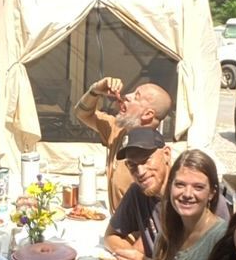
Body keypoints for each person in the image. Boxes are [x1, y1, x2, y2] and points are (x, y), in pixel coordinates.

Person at [73, 76, 172, 212]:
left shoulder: (156, 156)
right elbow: (82, 113)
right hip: (117, 229)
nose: (127, 96)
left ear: (147, 114)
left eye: (136, 97)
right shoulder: (117, 131)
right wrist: (95, 89)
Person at [103, 127, 172, 260]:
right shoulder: (138, 192)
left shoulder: (186, 195)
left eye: (146, 160)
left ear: (166, 154)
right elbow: (110, 236)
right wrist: (135, 259)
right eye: (132, 165)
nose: (140, 171)